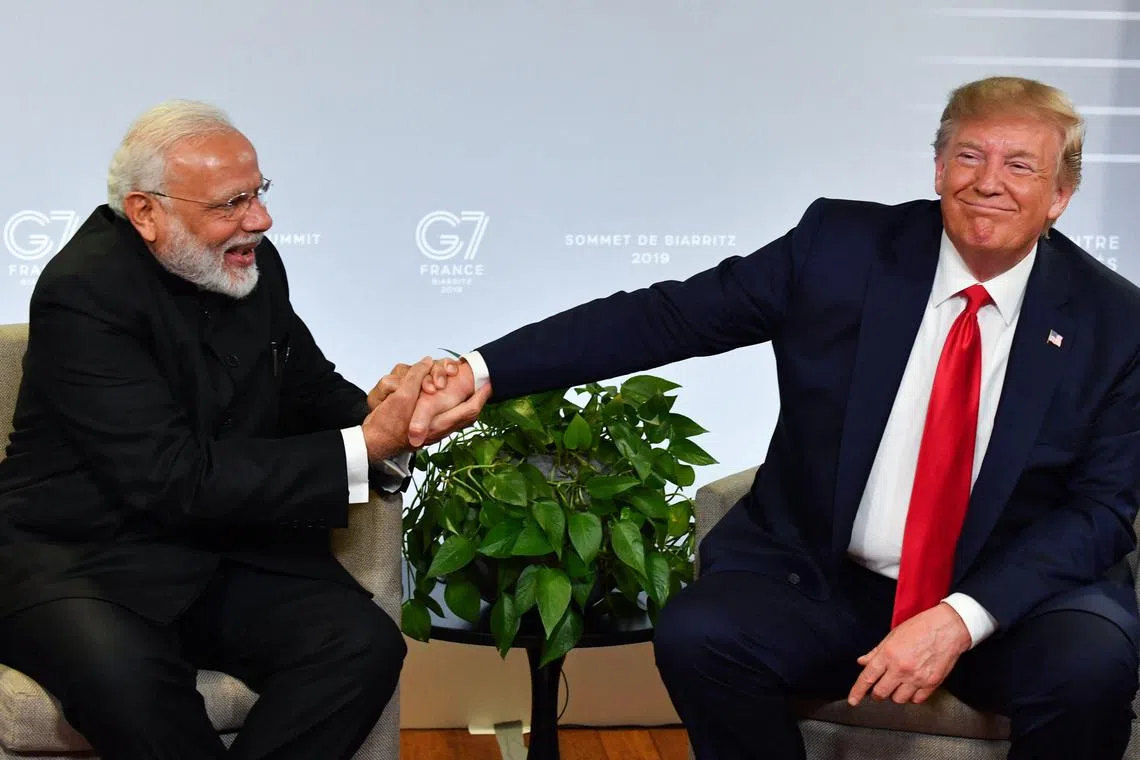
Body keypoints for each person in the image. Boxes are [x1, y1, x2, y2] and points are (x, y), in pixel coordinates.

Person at [406, 76, 1140, 759]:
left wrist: (959, 618)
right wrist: (480, 370)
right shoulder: (843, 249)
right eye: (969, 156)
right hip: (828, 581)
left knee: (1090, 669)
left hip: (1007, 595)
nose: (987, 182)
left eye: (1019, 166)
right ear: (938, 168)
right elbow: (666, 318)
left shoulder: (1115, 322)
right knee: (701, 634)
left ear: (1060, 195)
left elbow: (1102, 509)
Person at [0, 101, 484, 760]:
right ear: (145, 212)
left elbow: (307, 385)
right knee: (132, 686)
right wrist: (361, 448)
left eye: (258, 193)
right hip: (83, 560)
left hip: (220, 550)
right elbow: (171, 478)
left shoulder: (253, 261)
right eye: (230, 204)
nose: (259, 219)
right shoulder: (83, 292)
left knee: (360, 647)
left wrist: (390, 422)